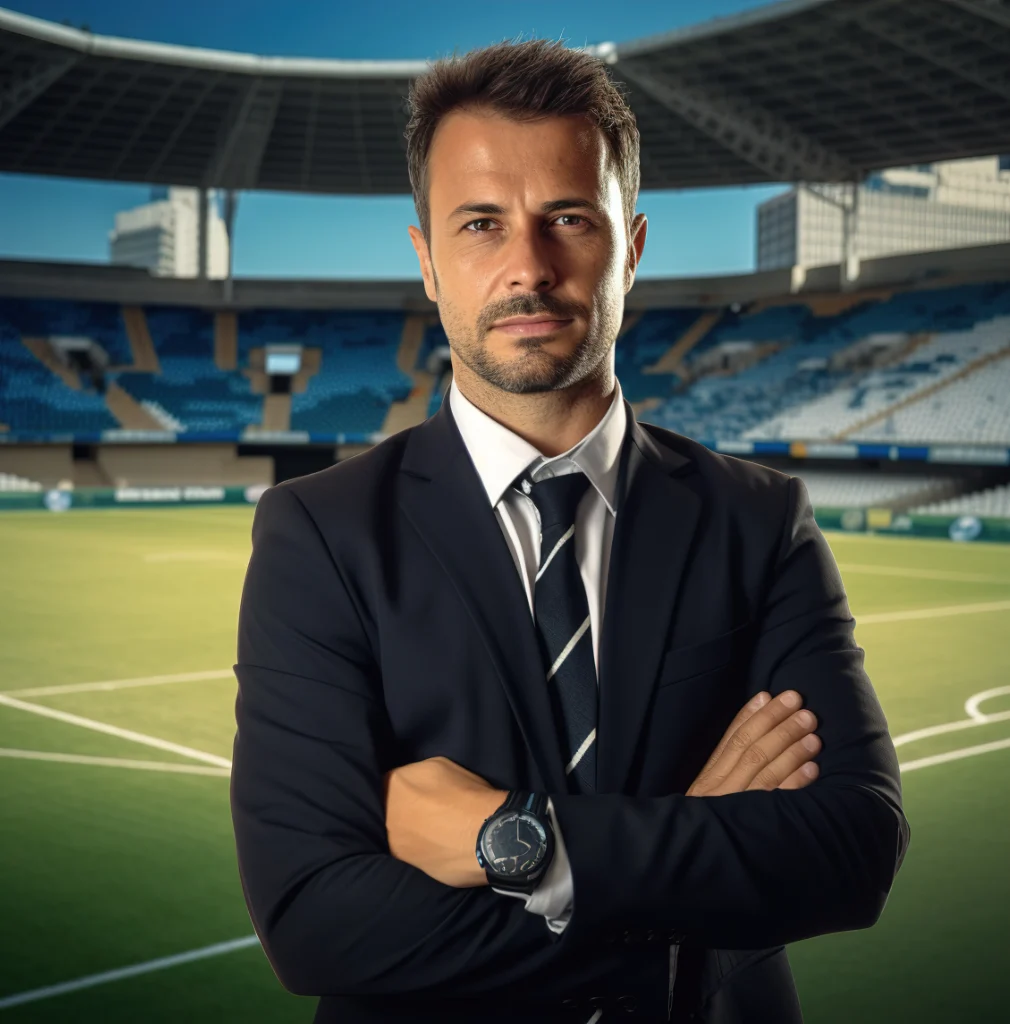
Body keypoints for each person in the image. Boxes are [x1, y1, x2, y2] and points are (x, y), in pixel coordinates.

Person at [230, 38, 910, 1024]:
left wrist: (528, 845)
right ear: (426, 260)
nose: (527, 267)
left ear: (627, 246)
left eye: (566, 218)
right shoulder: (317, 534)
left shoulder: (757, 519)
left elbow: (850, 850)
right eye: (479, 223)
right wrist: (689, 850)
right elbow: (314, 920)